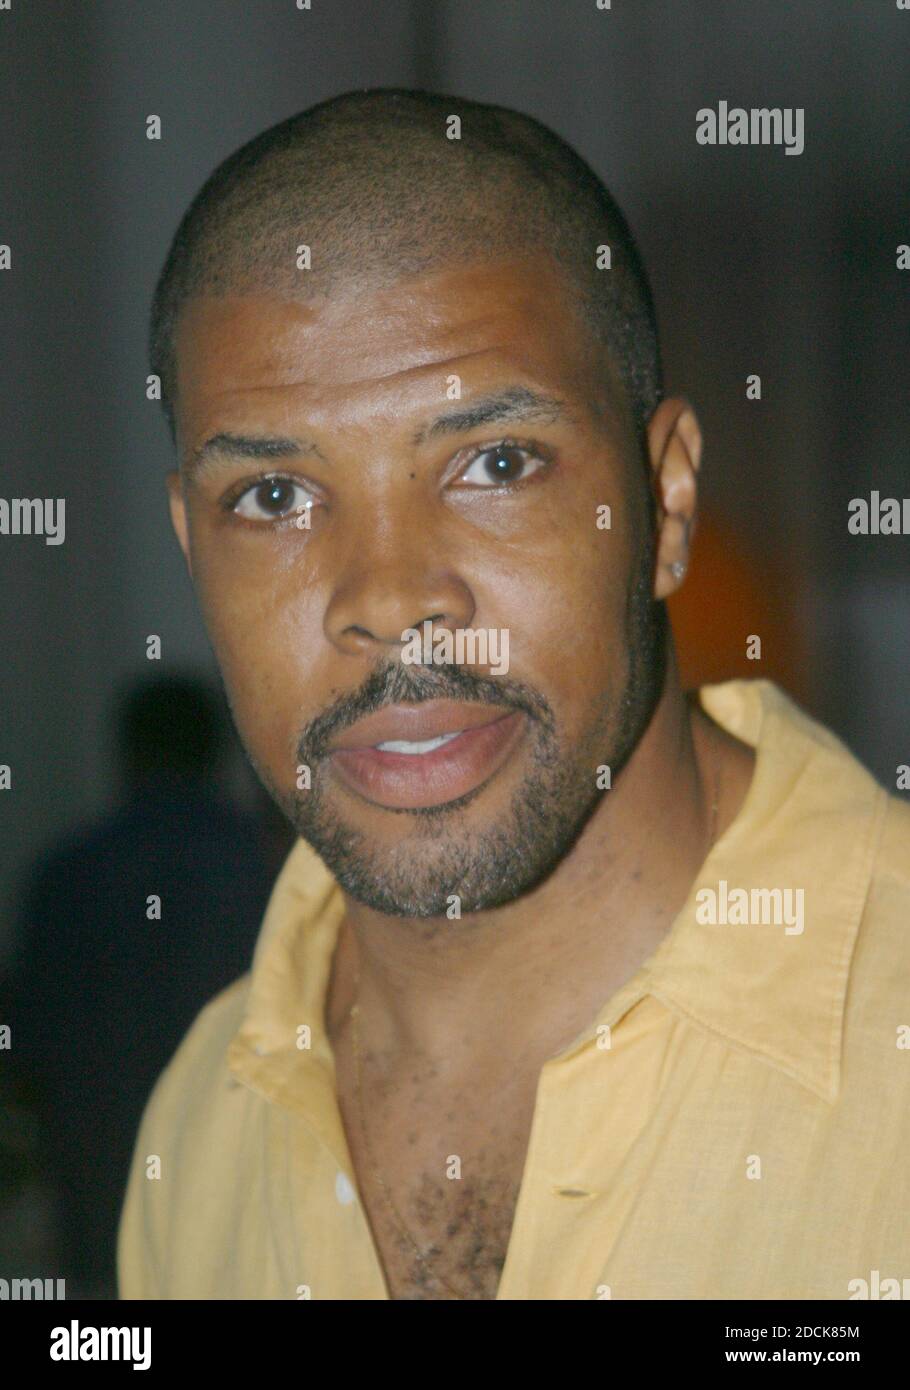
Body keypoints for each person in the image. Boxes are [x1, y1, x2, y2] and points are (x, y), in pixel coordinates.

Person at [117, 88, 910, 1300]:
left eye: (493, 463)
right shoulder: (197, 1126)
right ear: (190, 542)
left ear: (667, 503)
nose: (387, 598)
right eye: (273, 497)